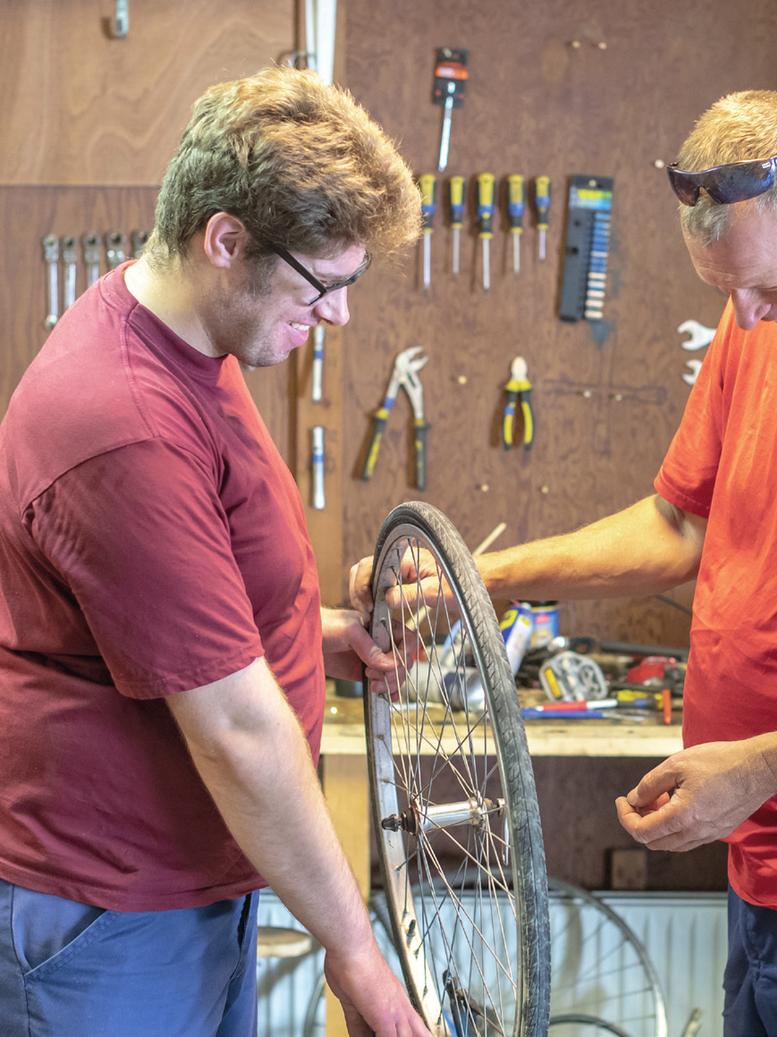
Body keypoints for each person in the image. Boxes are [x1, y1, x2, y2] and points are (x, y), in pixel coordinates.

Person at [352, 90, 777, 1036]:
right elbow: (678, 526)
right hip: (770, 835)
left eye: (765, 290)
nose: (745, 323)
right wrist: (479, 579)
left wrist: (761, 765)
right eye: (728, 293)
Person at [0, 67, 430, 1037]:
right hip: (108, 918)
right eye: (324, 283)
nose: (338, 315)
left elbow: (177, 605)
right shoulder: (125, 423)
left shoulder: (192, 341)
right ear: (225, 239)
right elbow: (235, 727)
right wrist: (354, 953)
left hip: (188, 885)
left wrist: (310, 634)